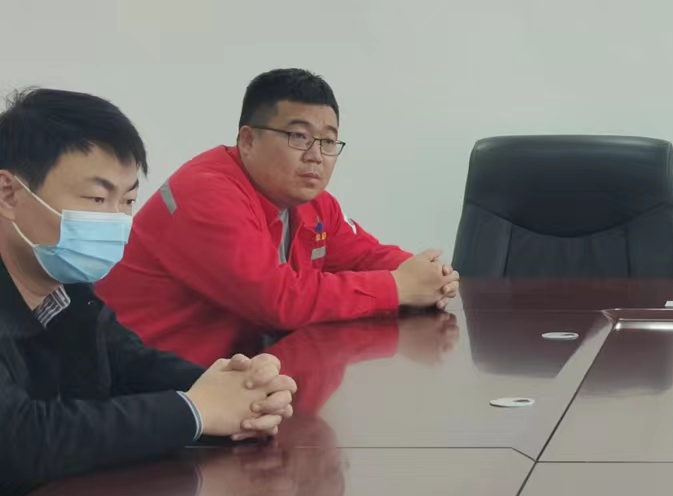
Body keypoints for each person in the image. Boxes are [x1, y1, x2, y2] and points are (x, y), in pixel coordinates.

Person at [0, 88, 297, 496]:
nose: (115, 220)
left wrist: (242, 390)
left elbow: (130, 365)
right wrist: (195, 410)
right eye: (96, 199)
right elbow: (22, 440)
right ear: (9, 194)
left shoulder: (69, 290)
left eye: (128, 200)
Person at [98, 69, 458, 367]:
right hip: (152, 388)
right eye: (299, 137)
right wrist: (399, 287)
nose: (316, 155)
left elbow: (363, 255)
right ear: (248, 140)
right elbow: (278, 301)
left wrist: (428, 276)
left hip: (237, 379)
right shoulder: (206, 194)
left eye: (328, 142)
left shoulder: (313, 202)